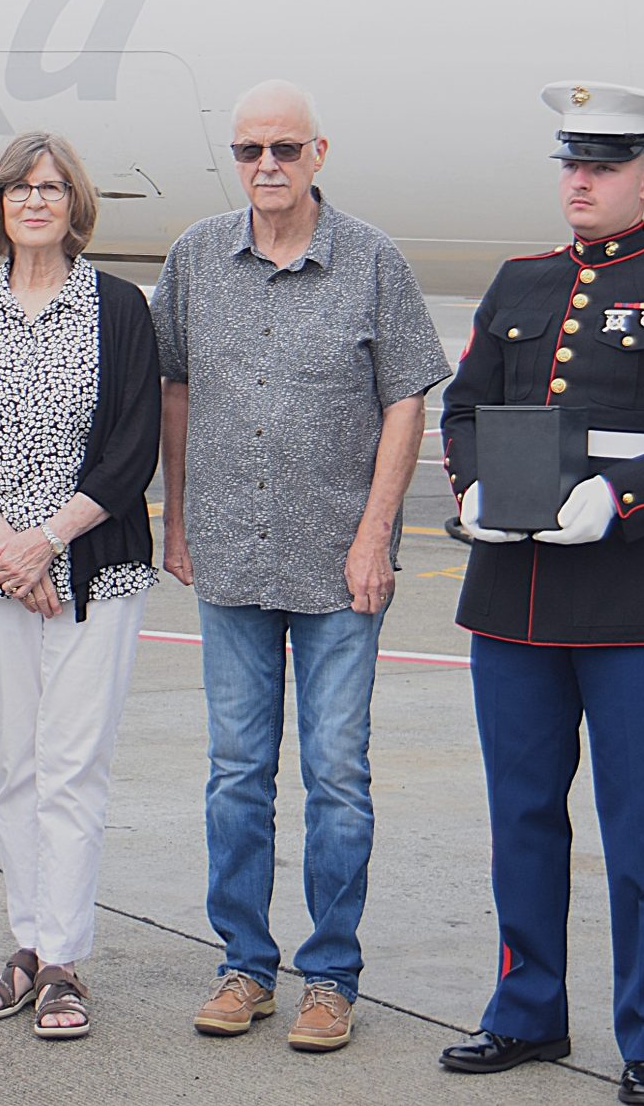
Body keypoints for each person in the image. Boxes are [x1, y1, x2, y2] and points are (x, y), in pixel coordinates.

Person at [437, 82, 644, 1106]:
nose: (579, 179)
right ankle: (523, 1010)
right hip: (513, 597)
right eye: (570, 161)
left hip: (631, 600)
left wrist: (618, 497)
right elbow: (464, 407)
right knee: (521, 816)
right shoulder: (518, 282)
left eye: (603, 165)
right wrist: (473, 478)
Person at [150, 80, 447, 1057]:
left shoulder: (372, 261)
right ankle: (243, 964)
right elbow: (176, 387)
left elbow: (405, 396)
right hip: (232, 553)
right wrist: (178, 515)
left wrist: (374, 533)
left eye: (283, 148)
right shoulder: (196, 256)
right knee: (235, 775)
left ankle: (328, 977)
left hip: (336, 564)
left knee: (335, 776)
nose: (264, 165)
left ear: (318, 153)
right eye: (247, 150)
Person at [0, 132, 162, 1043]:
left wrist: (47, 543)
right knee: (17, 765)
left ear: (75, 203)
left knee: (73, 765)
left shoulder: (120, 307)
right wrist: (5, 549)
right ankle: (25, 943)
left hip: (95, 570)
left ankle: (63, 960)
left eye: (52, 186)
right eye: (20, 186)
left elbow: (132, 447)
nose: (35, 199)